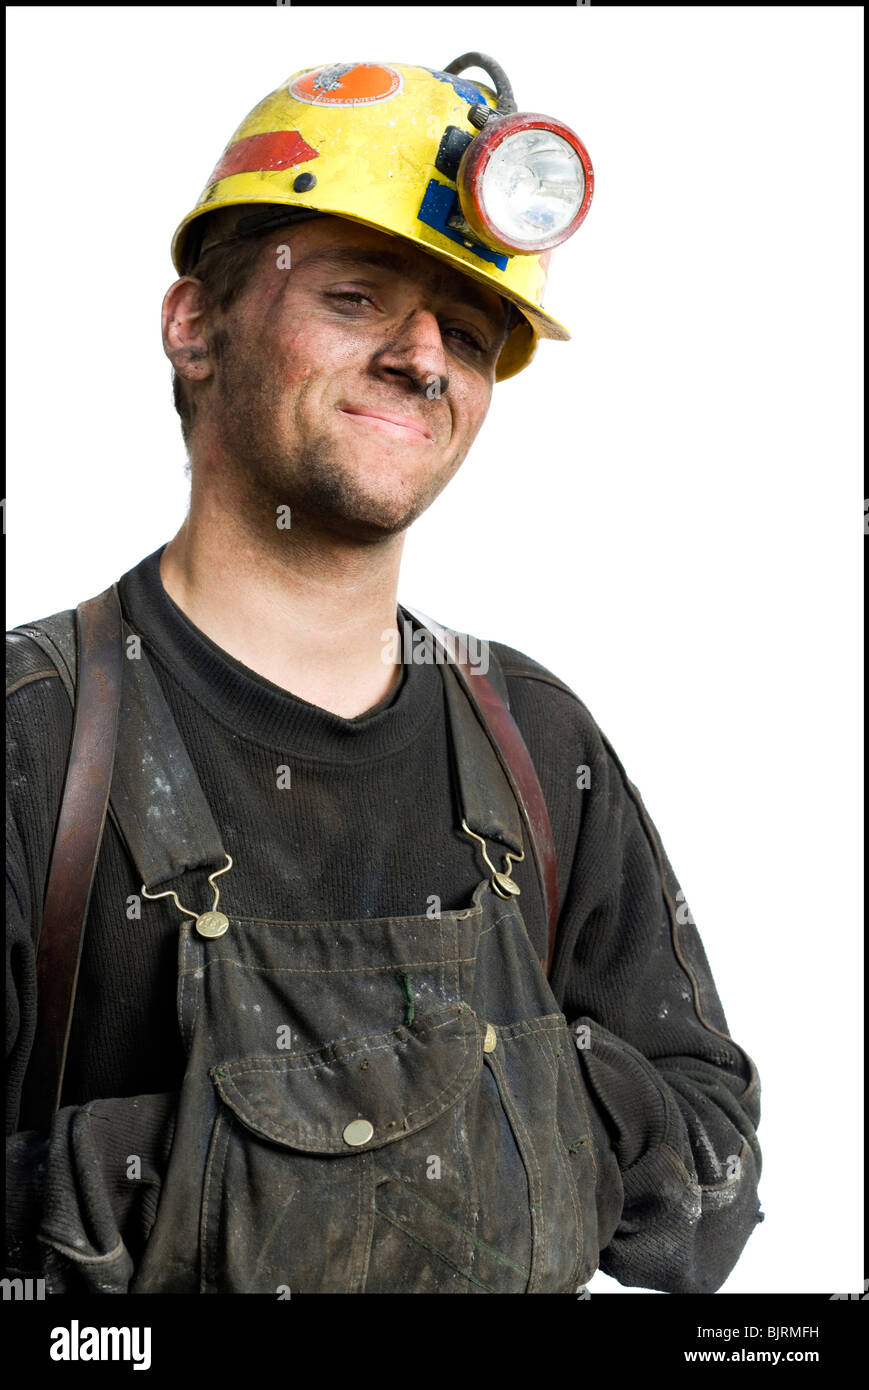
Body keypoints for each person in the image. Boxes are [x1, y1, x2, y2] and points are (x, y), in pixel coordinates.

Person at [5, 54, 762, 1295]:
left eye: (466, 332)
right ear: (193, 324)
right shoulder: (38, 741)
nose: (423, 357)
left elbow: (707, 1180)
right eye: (356, 299)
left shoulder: (533, 736)